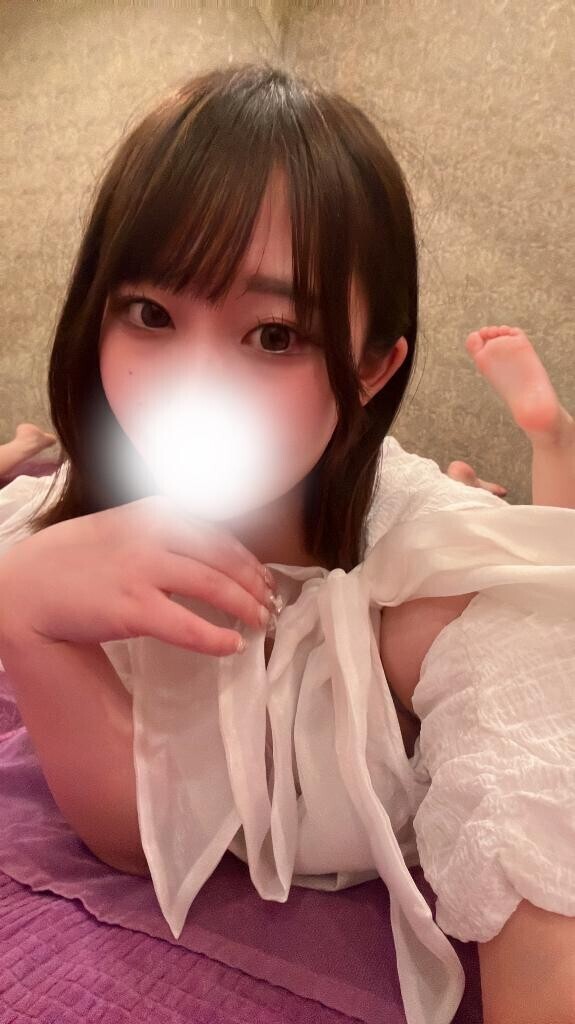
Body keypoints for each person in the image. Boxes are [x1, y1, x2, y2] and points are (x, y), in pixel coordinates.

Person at [0, 63, 573, 1024]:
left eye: (273, 334)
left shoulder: (435, 587)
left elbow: (541, 797)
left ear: (372, 366)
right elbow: (136, 837)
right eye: (150, 313)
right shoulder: (71, 520)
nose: (190, 390)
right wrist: (26, 613)